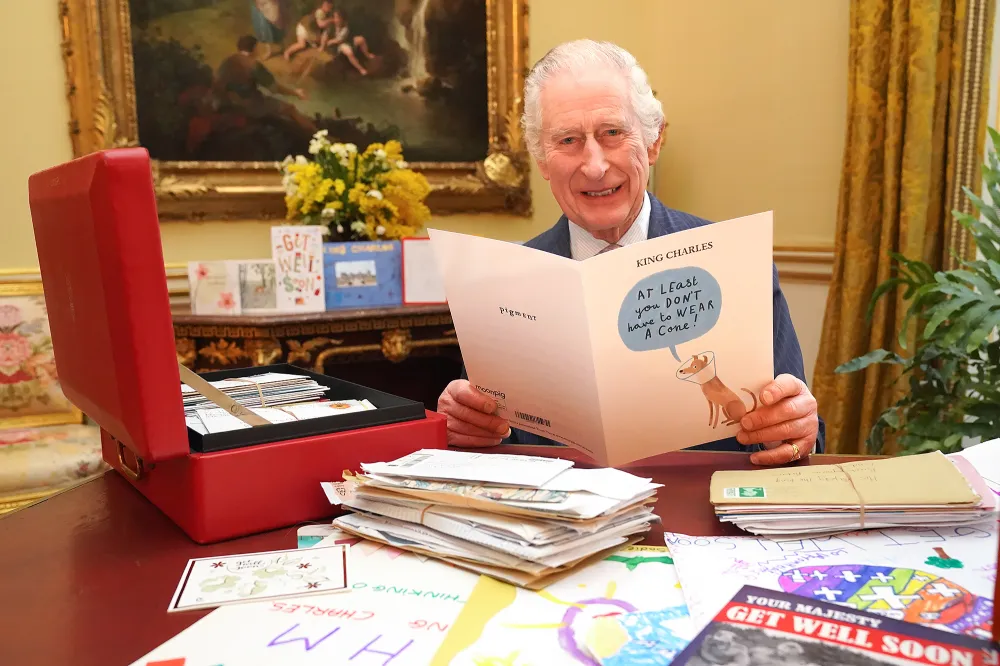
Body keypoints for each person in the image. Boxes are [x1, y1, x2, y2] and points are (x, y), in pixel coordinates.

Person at [436, 39, 825, 467]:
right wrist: (460, 427)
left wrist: (796, 429)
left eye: (613, 133)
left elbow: (802, 441)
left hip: (699, 518)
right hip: (561, 527)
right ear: (542, 161)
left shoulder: (736, 264)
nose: (595, 166)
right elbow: (481, 442)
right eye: (568, 140)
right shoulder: (505, 281)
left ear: (654, 142)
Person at [215, 35, 316, 135]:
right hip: (248, 105)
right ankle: (318, 135)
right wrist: (296, 93)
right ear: (255, 48)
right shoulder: (253, 65)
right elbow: (274, 89)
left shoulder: (227, 61)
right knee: (290, 109)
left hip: (227, 102)